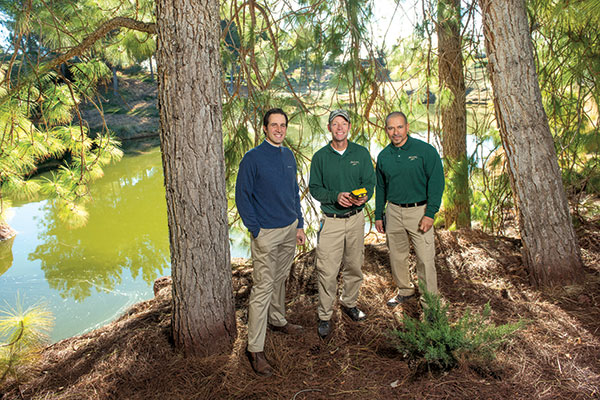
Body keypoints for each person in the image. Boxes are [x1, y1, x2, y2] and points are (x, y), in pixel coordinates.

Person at [235, 108, 306, 376]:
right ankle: (255, 348)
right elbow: (242, 196)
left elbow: (294, 192)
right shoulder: (252, 158)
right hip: (266, 232)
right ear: (264, 128)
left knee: (280, 278)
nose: (278, 129)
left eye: (283, 125)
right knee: (263, 287)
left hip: (289, 229)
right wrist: (256, 230)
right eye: (273, 125)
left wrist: (299, 224)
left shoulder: (288, 155)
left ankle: (277, 320)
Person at [309, 109, 376, 339]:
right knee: (327, 270)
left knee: (354, 265)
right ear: (329, 128)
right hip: (331, 221)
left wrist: (365, 195)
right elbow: (315, 189)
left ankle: (349, 303)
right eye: (335, 124)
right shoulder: (320, 157)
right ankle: (325, 315)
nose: (339, 127)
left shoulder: (361, 153)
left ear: (349, 127)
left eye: (343, 123)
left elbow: (369, 182)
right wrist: (335, 196)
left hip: (356, 219)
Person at [374, 111, 444, 308]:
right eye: (391, 128)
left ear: (407, 127)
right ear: (386, 130)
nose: (395, 132)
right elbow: (380, 187)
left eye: (399, 127)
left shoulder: (425, 151)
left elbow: (437, 183)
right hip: (393, 211)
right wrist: (378, 215)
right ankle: (405, 291)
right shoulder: (384, 156)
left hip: (419, 211)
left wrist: (430, 213)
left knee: (425, 258)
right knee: (397, 255)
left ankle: (430, 303)